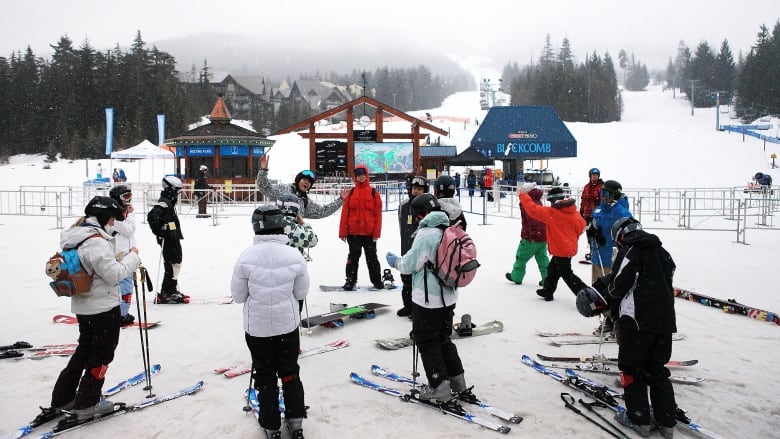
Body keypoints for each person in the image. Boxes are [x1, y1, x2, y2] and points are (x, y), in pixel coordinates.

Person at [35, 196, 140, 426]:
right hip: (103, 307)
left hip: (84, 306)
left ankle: (64, 398)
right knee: (102, 354)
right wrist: (133, 256)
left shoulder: (76, 236)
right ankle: (87, 402)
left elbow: (95, 267)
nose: (113, 224)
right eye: (112, 219)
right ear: (103, 218)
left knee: (84, 350)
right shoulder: (96, 241)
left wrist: (117, 258)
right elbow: (112, 274)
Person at [231, 204, 310, 439]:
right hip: (287, 326)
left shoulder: (246, 256)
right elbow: (301, 292)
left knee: (265, 375)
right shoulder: (294, 255)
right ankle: (295, 421)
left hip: (258, 329)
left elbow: (238, 296)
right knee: (289, 372)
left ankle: (271, 424)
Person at [385, 194, 469, 402]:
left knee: (426, 340)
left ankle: (439, 385)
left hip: (427, 300)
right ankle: (457, 380)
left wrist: (395, 261)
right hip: (449, 297)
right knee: (442, 338)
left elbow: (409, 265)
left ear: (419, 214)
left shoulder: (425, 234)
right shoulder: (449, 229)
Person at [601, 217, 677, 439]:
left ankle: (639, 418)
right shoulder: (662, 251)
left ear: (621, 236)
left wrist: (609, 300)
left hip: (637, 321)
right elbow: (669, 275)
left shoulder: (631, 250)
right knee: (657, 370)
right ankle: (666, 420)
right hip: (664, 322)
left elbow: (618, 285)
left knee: (632, 370)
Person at [519, 184, 587, 301]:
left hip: (562, 250)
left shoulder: (552, 214)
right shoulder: (573, 212)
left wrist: (522, 194)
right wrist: (570, 237)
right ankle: (548, 291)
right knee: (552, 270)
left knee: (568, 275)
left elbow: (532, 209)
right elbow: (582, 226)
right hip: (567, 248)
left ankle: (586, 295)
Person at [589, 180, 632, 334]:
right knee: (599, 289)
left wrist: (611, 240)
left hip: (612, 257)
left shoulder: (621, 212)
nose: (604, 197)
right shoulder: (600, 209)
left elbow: (629, 234)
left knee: (611, 291)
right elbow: (593, 224)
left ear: (616, 195)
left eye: (607, 194)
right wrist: (592, 231)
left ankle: (615, 322)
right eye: (602, 193)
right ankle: (607, 319)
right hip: (598, 255)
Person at [256, 155, 348, 219]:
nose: (306, 183)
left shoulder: (306, 202)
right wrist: (263, 170)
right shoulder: (283, 189)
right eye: (304, 180)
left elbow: (323, 211)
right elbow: (265, 187)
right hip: (278, 236)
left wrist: (340, 200)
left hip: (297, 240)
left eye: (309, 182)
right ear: (298, 180)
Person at [339, 165, 383, 291]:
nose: (360, 177)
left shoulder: (374, 193)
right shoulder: (351, 192)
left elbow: (378, 215)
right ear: (355, 177)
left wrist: (376, 233)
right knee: (352, 258)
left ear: (366, 175)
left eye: (362, 174)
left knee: (372, 258)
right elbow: (345, 213)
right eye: (358, 175)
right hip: (353, 233)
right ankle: (350, 281)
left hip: (369, 234)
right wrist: (343, 232)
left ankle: (377, 280)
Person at [147, 176, 188, 304]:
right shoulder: (164, 202)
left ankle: (171, 289)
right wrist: (160, 231)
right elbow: (152, 216)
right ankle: (167, 292)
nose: (178, 194)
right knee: (172, 264)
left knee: (175, 263)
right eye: (177, 191)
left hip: (173, 236)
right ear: (170, 190)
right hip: (168, 238)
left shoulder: (169, 201)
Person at [397, 175, 428, 317]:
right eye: (414, 188)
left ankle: (418, 309)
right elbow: (401, 226)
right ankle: (407, 306)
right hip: (406, 248)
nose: (416, 191)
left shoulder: (429, 206)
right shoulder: (403, 206)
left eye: (420, 189)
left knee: (420, 281)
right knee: (406, 280)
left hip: (422, 251)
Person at [506, 186, 549, 286]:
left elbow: (533, 220)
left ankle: (516, 276)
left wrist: (532, 235)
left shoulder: (527, 203)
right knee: (543, 259)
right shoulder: (537, 201)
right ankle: (547, 279)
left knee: (521, 257)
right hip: (542, 237)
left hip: (531, 238)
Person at [108, 185, 137, 326]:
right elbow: (128, 230)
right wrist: (130, 215)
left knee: (125, 285)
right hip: (121, 255)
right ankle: (121, 314)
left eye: (129, 196)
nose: (129, 200)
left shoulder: (121, 214)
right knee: (125, 285)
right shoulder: (116, 216)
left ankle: (120, 312)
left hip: (126, 253)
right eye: (125, 197)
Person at [277, 192, 318, 261]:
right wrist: (303, 223)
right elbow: (313, 240)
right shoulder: (294, 228)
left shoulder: (272, 223)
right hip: (291, 267)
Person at [579, 168, 603, 261]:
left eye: (597, 174)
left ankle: (597, 253)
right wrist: (581, 213)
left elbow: (604, 201)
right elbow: (583, 201)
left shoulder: (602, 187)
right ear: (590, 175)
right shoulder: (586, 187)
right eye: (593, 174)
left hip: (597, 216)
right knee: (589, 234)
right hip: (587, 215)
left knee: (597, 234)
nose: (595, 176)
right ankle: (592, 251)